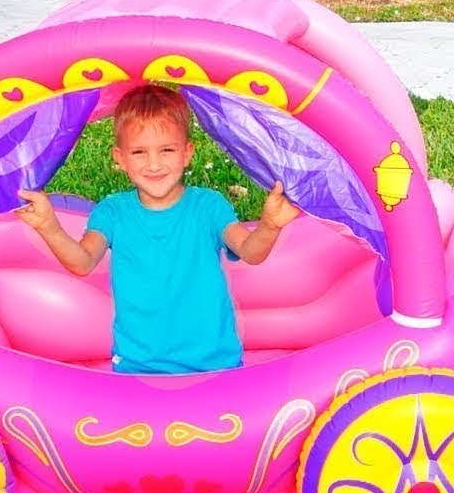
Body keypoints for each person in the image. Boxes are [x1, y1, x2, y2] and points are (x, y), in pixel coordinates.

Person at [16, 84, 300, 374]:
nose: (154, 164)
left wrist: (270, 225)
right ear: (120, 158)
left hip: (215, 363)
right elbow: (82, 262)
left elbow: (250, 252)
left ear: (187, 153)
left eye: (167, 150)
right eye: (139, 152)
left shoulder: (208, 206)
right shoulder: (113, 211)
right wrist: (48, 227)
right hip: (139, 366)